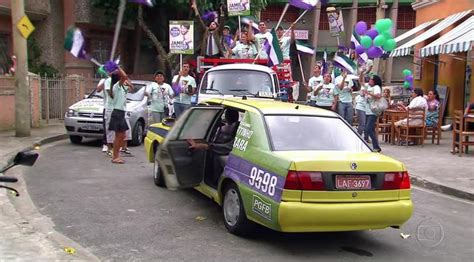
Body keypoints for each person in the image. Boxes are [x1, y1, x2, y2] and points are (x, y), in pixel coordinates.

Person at [187, 108, 240, 187]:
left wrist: (205, 146)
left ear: (226, 117)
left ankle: (214, 182)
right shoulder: (234, 127)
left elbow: (228, 147)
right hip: (221, 149)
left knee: (215, 156)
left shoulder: (235, 131)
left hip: (225, 151)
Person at [107, 68, 134, 164]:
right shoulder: (116, 86)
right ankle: (115, 157)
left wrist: (128, 82)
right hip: (117, 112)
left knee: (122, 135)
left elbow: (132, 87)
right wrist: (117, 67)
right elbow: (125, 76)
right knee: (119, 136)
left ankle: (116, 155)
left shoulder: (122, 87)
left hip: (121, 112)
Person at [359, 71, 383, 152]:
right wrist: (362, 73)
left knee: (368, 129)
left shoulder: (376, 87)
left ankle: (376, 146)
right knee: (371, 129)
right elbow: (361, 82)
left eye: (371, 80)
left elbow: (378, 96)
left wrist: (368, 93)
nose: (369, 80)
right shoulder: (367, 86)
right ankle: (376, 147)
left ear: (374, 81)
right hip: (367, 110)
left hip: (373, 111)